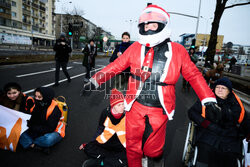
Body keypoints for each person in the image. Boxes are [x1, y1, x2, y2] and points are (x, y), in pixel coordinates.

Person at [82, 4, 220, 167]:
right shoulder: (135, 47)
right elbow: (116, 66)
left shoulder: (178, 50)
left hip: (160, 106)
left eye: (153, 25)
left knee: (154, 150)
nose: (148, 29)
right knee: (132, 145)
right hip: (135, 104)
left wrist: (208, 99)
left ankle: (152, 153)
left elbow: (194, 75)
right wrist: (94, 81)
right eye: (145, 25)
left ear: (162, 25)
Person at [188, 77, 250, 167]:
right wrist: (206, 124)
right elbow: (192, 112)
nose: (220, 90)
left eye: (223, 88)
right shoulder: (207, 100)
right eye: (218, 87)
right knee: (205, 152)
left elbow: (245, 121)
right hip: (209, 132)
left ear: (229, 91)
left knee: (230, 156)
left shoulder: (236, 105)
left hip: (229, 137)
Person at [80, 89, 127, 167]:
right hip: (106, 142)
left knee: (127, 159)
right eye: (119, 105)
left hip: (119, 145)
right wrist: (91, 143)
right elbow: (100, 129)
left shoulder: (127, 115)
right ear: (113, 105)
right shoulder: (105, 113)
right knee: (88, 148)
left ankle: (100, 162)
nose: (123, 107)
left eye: (123, 104)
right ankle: (110, 161)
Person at [19, 87, 65, 152]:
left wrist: (31, 127)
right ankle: (35, 145)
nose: (36, 98)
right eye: (35, 96)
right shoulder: (35, 104)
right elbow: (30, 118)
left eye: (39, 97)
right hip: (38, 128)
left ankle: (29, 143)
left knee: (48, 139)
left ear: (47, 97)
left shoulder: (55, 109)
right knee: (17, 130)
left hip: (54, 130)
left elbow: (49, 128)